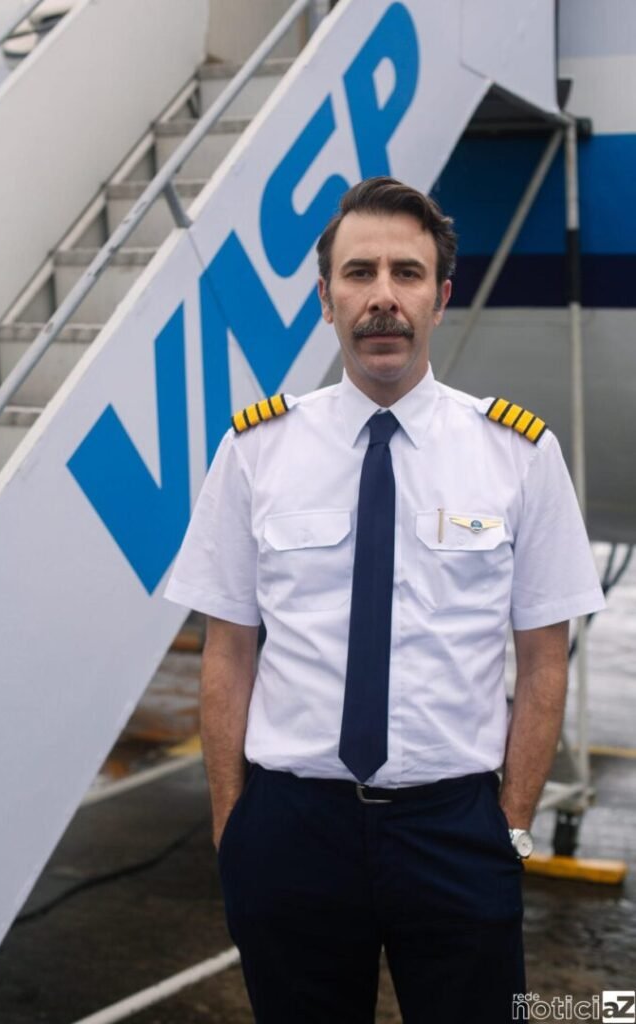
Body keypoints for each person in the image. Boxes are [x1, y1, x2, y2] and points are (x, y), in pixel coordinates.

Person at [164, 176, 605, 1023]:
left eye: (406, 273)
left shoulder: (517, 454)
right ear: (324, 298)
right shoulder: (256, 451)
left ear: (440, 297)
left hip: (453, 829)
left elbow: (542, 660)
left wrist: (510, 827)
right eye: (358, 273)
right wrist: (233, 825)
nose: (382, 297)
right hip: (292, 828)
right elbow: (228, 650)